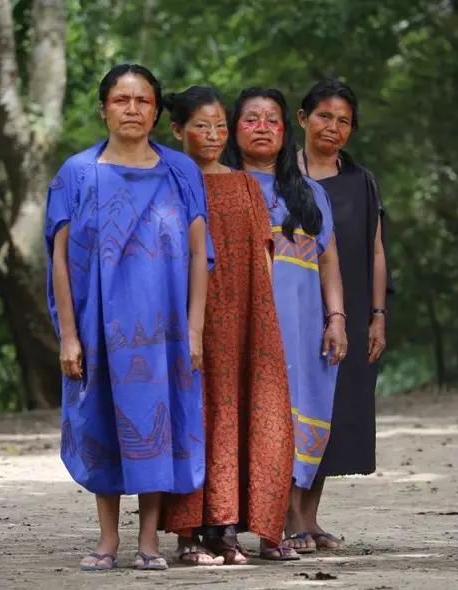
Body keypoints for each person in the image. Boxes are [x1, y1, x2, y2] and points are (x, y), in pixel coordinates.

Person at [44, 64, 214, 572]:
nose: (133, 109)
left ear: (158, 112)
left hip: (164, 335)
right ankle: (106, 540)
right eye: (122, 99)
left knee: (158, 427)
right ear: (104, 109)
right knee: (100, 422)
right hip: (98, 328)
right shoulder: (77, 173)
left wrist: (196, 328)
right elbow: (58, 260)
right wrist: (69, 335)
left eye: (143, 101)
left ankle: (148, 543)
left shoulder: (181, 171)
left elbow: (201, 253)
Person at [160, 86, 300, 564]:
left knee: (252, 416)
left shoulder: (243, 185)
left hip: (247, 320)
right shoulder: (167, 183)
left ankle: (234, 530)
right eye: (202, 126)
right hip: (188, 318)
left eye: (221, 126)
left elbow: (265, 259)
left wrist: (264, 330)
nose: (214, 135)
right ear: (177, 130)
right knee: (197, 417)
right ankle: (189, 536)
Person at [221, 87, 347, 554]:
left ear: (285, 130)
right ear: (234, 130)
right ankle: (232, 522)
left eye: (272, 120)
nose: (262, 127)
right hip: (244, 326)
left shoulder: (310, 192)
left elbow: (329, 261)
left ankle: (292, 520)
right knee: (243, 416)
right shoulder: (223, 185)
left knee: (303, 412)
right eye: (251, 118)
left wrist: (337, 318)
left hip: (304, 323)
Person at [295, 78, 397, 550]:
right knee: (288, 411)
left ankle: (308, 518)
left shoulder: (362, 182)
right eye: (323, 116)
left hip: (349, 312)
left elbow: (376, 252)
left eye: (343, 121)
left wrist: (376, 314)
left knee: (332, 413)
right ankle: (281, 518)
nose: (332, 127)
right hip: (290, 310)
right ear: (302, 119)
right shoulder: (276, 175)